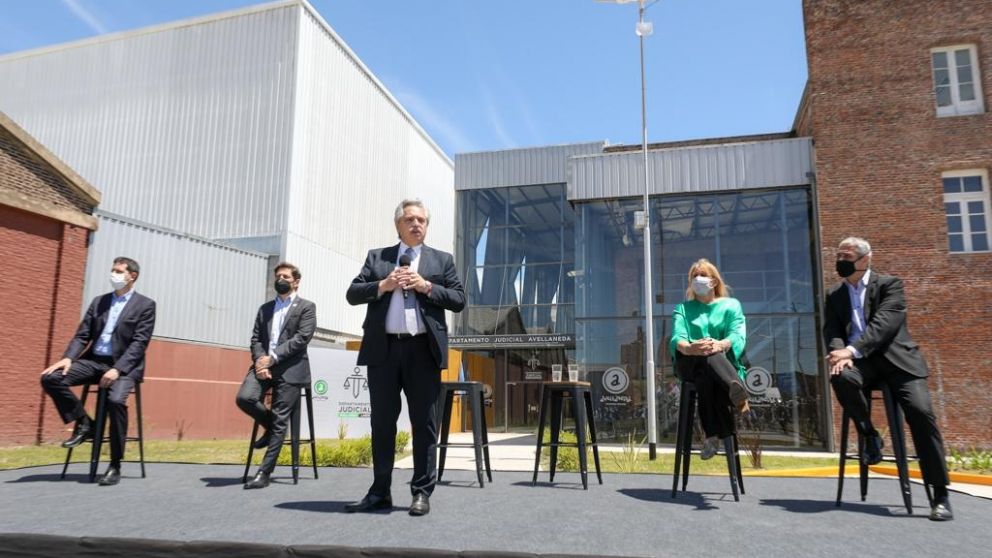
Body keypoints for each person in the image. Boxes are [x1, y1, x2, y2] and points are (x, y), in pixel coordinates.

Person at [345, 198, 465, 516]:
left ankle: (421, 492)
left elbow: (459, 299)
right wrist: (383, 285)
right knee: (382, 423)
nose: (416, 225)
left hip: (422, 352)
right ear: (398, 225)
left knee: (423, 424)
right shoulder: (378, 258)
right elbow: (352, 294)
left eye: (422, 220)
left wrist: (426, 287)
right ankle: (379, 492)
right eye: (410, 219)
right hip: (384, 351)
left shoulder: (442, 261)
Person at [824, 237, 953, 521]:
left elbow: (884, 326)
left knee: (920, 413)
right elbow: (832, 329)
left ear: (865, 259)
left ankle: (940, 494)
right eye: (839, 256)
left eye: (847, 256)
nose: (840, 261)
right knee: (841, 377)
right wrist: (838, 353)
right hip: (860, 364)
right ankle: (869, 435)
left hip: (899, 363)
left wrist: (850, 349)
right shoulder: (834, 294)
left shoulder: (890, 285)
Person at [40, 257, 156, 486]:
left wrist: (117, 369)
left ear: (132, 276)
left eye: (119, 271)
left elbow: (139, 343)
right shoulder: (99, 302)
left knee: (115, 401)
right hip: (94, 361)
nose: (113, 274)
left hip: (125, 367)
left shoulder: (145, 305)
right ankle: (86, 424)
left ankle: (114, 465)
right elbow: (82, 335)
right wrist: (67, 358)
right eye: (112, 270)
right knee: (50, 377)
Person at [237, 262, 316, 489]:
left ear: (296, 281)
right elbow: (255, 339)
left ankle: (264, 472)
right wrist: (260, 362)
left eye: (285, 276)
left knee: (282, 416)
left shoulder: (306, 307)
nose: (281, 279)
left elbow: (301, 338)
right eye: (278, 276)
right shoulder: (265, 309)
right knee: (244, 397)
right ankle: (270, 426)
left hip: (290, 367)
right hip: (263, 366)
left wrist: (272, 358)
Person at [669, 258, 749, 460]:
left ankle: (711, 436)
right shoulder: (683, 308)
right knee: (706, 355)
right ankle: (737, 393)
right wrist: (690, 348)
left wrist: (720, 344)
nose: (697, 279)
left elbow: (737, 335)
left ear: (714, 281)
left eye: (702, 275)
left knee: (707, 370)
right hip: (688, 362)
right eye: (693, 276)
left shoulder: (731, 306)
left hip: (717, 365)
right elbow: (677, 337)